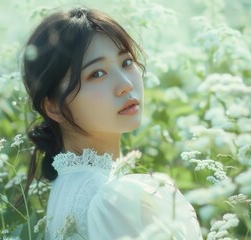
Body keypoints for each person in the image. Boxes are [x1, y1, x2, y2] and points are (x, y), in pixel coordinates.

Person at [21, 6, 202, 240]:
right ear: (53, 107)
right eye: (97, 74)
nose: (125, 83)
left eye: (126, 62)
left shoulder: (66, 187)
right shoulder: (113, 198)